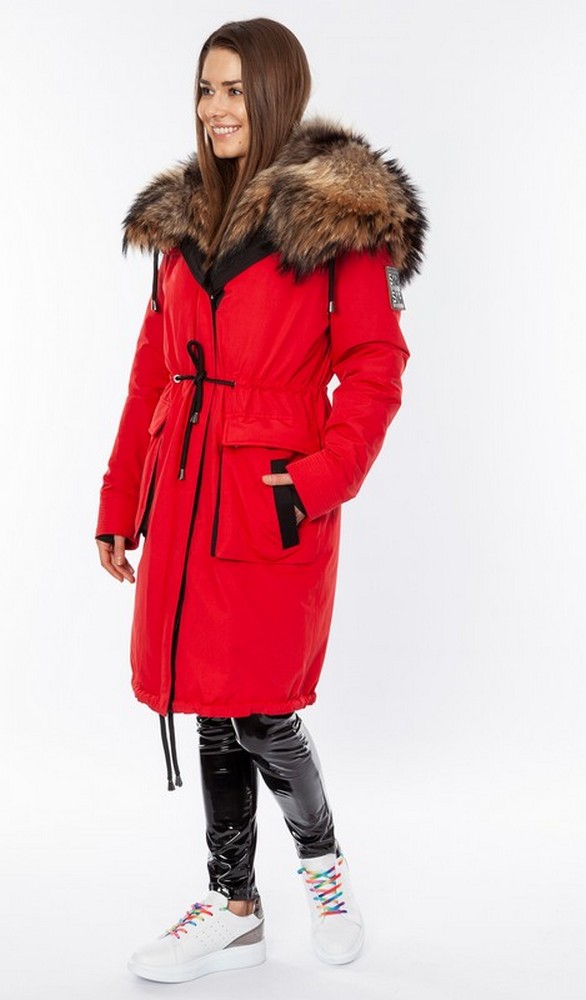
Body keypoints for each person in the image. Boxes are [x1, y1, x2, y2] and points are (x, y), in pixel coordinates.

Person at [95, 16, 427, 985]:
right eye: (206, 88)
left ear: (277, 93)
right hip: (184, 493)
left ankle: (324, 872)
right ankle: (234, 905)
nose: (215, 107)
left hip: (267, 495)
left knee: (262, 709)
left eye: (235, 89)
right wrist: (121, 501)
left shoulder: (338, 222)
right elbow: (152, 375)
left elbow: (375, 368)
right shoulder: (182, 222)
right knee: (210, 702)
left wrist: (315, 483)